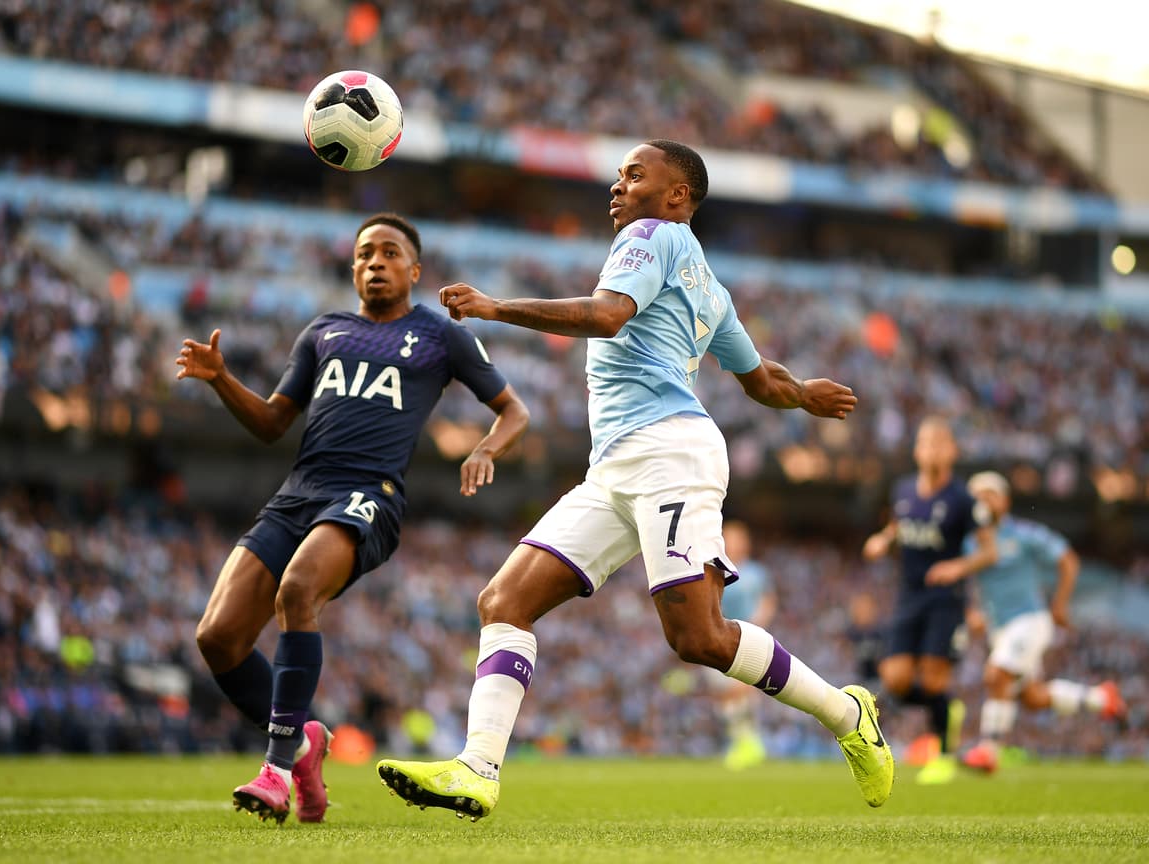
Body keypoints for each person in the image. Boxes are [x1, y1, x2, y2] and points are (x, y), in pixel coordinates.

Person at [376, 139, 893, 820]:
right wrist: (803, 395)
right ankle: (477, 770)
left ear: (677, 196)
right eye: (619, 175)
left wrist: (497, 308)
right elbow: (763, 379)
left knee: (699, 638)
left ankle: (848, 715)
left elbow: (607, 314)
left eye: (635, 174)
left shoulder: (653, 236)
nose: (618, 186)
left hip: (669, 453)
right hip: (616, 466)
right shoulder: (708, 286)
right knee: (504, 601)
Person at [178, 212, 529, 825]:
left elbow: (514, 411)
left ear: (414, 270)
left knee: (297, 590)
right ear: (352, 268)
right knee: (218, 637)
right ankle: (304, 743)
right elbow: (272, 423)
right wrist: (222, 379)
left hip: (370, 493)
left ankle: (275, 770)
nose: (375, 262)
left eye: (389, 252)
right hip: (299, 492)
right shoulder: (323, 332)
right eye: (365, 253)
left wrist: (485, 449)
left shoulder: (440, 334)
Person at [952, 472, 1126, 774]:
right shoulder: (968, 542)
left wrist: (1060, 603)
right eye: (976, 496)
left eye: (990, 494)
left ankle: (989, 750)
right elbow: (969, 582)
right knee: (1032, 697)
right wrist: (973, 611)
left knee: (997, 674)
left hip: (1029, 620)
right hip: (1000, 629)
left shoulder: (1024, 533)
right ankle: (1100, 698)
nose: (983, 501)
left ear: (1005, 501)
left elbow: (1067, 559)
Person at [862, 416, 996, 785]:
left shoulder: (963, 499)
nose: (932, 450)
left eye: (940, 443)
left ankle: (944, 755)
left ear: (952, 451)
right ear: (917, 450)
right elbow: (897, 527)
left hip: (945, 599)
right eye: (926, 443)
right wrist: (883, 540)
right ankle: (948, 709)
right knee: (896, 678)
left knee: (934, 681)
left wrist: (957, 566)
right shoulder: (903, 490)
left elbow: (989, 552)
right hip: (909, 596)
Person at [705, 520, 778, 770]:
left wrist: (757, 624)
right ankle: (743, 742)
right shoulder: (714, 569)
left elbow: (768, 601)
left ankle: (749, 744)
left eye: (737, 538)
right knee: (725, 696)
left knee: (741, 690)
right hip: (717, 639)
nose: (733, 543)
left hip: (747, 638)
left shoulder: (756, 573)